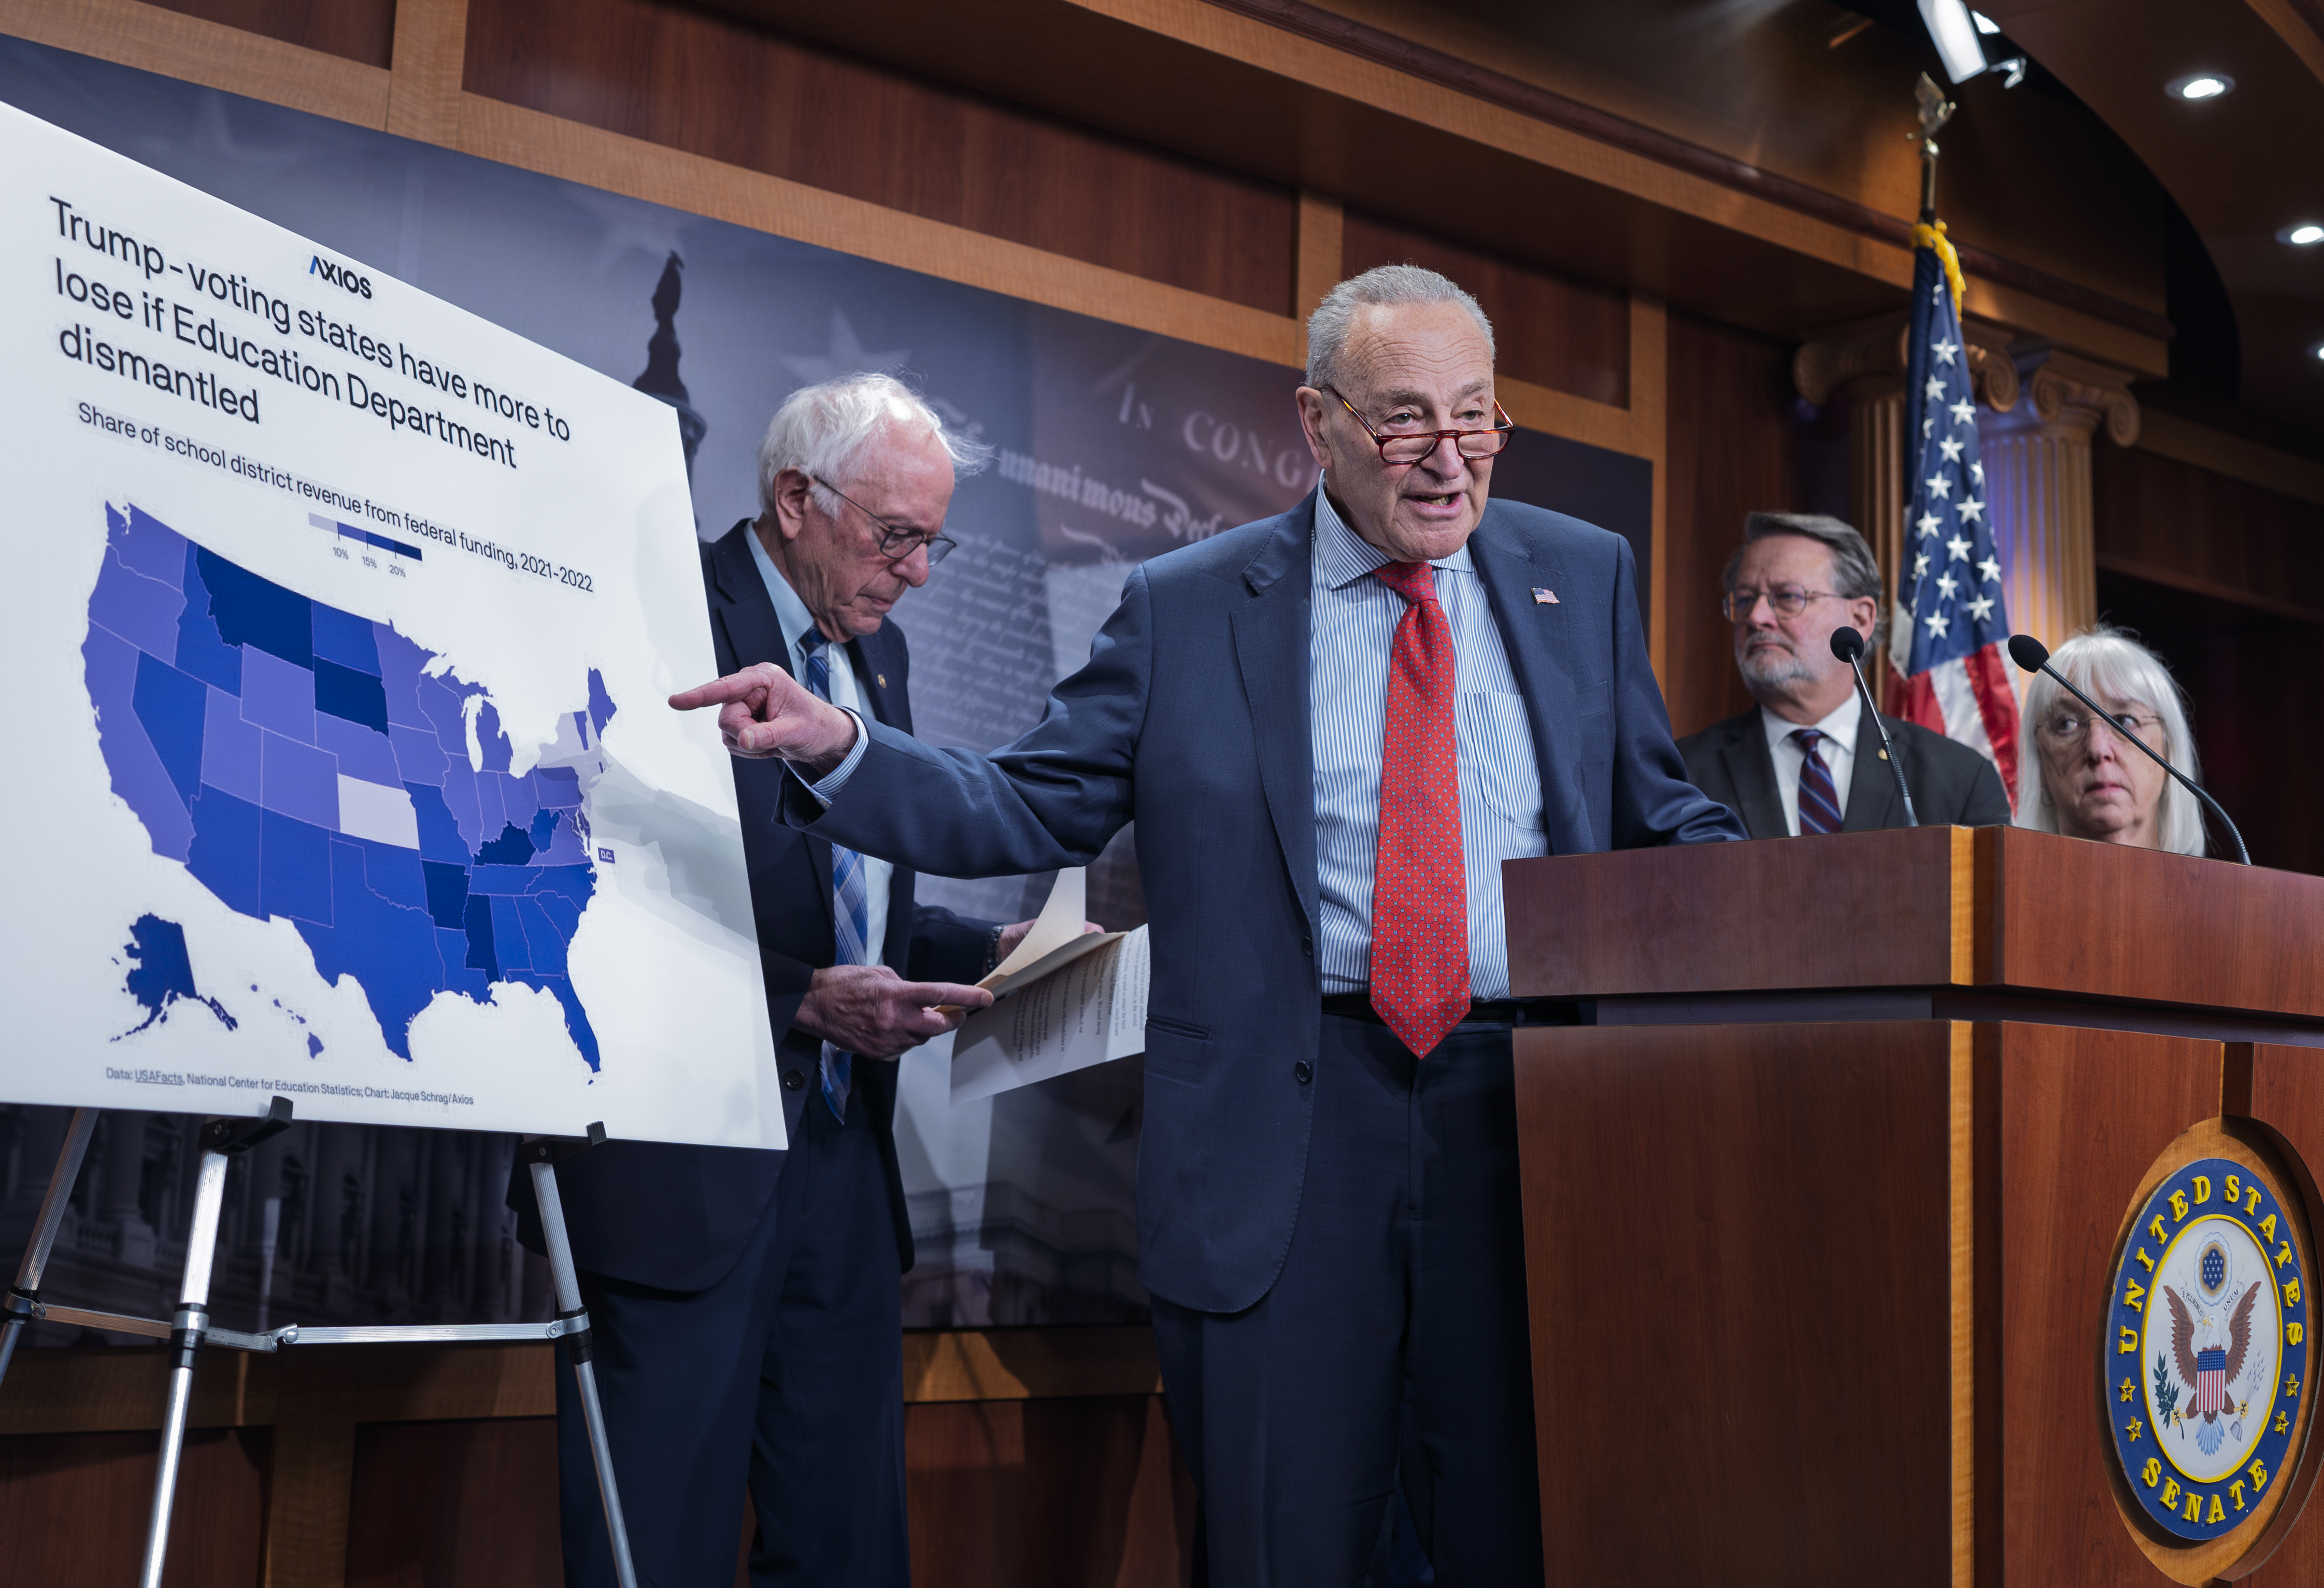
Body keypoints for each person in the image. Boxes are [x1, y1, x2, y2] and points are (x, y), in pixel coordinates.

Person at [672, 265, 1743, 1585]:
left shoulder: (1576, 575)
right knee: (1280, 1541)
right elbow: (1028, 799)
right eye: (1404, 418)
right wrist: (844, 747)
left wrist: (1806, 909)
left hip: (1519, 1121)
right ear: (1317, 421)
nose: (1449, 456)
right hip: (1286, 1140)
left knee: (1513, 1531)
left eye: (1475, 417)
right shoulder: (1189, 603)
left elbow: (1662, 817)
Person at [521, 374, 1050, 1586]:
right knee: (654, 1547)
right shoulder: (648, 610)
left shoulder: (882, 654)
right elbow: (568, 881)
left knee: (848, 1547)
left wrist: (979, 955)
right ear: (796, 500)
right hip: (675, 1171)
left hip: (840, 1169)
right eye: (897, 535)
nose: (918, 571)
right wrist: (796, 999)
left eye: (934, 539)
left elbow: (848, 896)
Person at [1675, 511, 2011, 834]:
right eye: (1745, 600)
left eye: (1788, 597)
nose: (1757, 617)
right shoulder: (1682, 777)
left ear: (1860, 618)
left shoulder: (1958, 777)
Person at [2014, 626, 2207, 853]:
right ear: (2039, 760)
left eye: (2125, 721)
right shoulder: (2004, 888)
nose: (2098, 749)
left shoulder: (2221, 890)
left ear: (2169, 749)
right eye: (2067, 724)